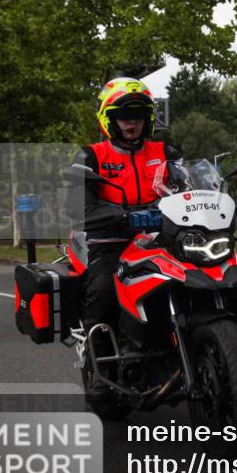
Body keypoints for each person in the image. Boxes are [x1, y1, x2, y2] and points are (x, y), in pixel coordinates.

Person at [73, 77, 180, 340]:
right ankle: (99, 354)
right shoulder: (92, 156)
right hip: (111, 241)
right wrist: (119, 216)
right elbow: (80, 209)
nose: (131, 122)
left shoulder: (165, 152)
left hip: (160, 240)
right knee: (105, 287)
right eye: (123, 116)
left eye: (138, 115)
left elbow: (188, 187)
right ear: (109, 119)